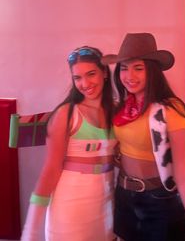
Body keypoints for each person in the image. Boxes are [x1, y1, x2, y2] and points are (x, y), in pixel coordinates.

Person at [102, 33, 185, 241]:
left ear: (152, 71)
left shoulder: (170, 109)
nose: (129, 75)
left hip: (158, 200)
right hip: (124, 195)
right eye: (124, 68)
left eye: (138, 68)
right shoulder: (124, 107)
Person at [21, 46, 117, 241]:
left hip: (106, 201)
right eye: (77, 78)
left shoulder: (116, 111)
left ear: (104, 73)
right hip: (71, 203)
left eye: (91, 74)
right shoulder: (66, 114)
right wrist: (31, 228)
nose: (85, 83)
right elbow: (51, 169)